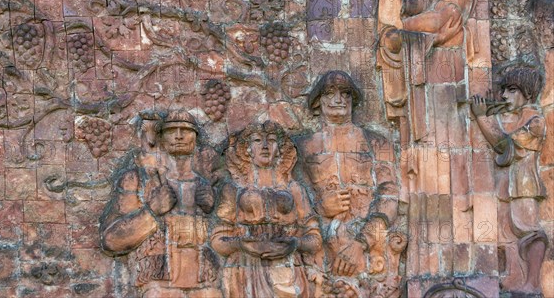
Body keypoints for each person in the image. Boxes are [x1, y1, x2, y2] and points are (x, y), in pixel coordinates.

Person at [99, 109, 221, 298]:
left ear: (195, 138)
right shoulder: (137, 179)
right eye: (172, 130)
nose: (179, 136)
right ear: (162, 137)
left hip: (204, 279)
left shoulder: (207, 186)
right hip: (158, 280)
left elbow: (230, 237)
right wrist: (152, 212)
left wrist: (212, 211)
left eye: (185, 130)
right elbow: (111, 241)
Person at [299, 71, 401, 294]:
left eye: (345, 93)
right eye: (330, 93)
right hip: (319, 253)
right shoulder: (303, 147)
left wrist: (360, 244)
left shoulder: (377, 142)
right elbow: (291, 197)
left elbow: (389, 197)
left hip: (369, 251)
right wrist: (319, 207)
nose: (339, 99)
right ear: (318, 101)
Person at [211, 121, 322, 298]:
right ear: (247, 149)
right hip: (245, 269)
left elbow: (315, 238)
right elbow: (217, 240)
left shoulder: (294, 189)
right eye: (257, 140)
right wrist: (242, 244)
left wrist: (294, 244)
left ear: (279, 149)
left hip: (288, 269)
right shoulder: (233, 189)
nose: (264, 146)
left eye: (271, 140)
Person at [471, 67, 547, 295]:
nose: (504, 95)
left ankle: (533, 282)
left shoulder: (535, 122)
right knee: (507, 231)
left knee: (529, 231)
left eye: (512, 90)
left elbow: (504, 145)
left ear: (528, 94)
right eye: (503, 90)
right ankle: (516, 276)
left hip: (525, 187)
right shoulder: (509, 117)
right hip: (507, 187)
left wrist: (482, 116)